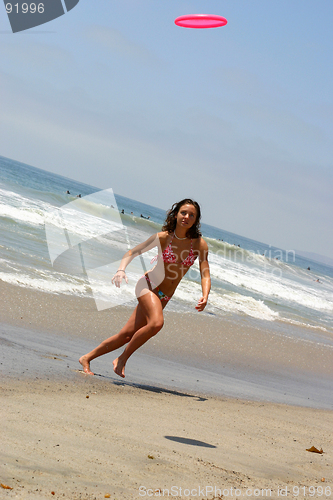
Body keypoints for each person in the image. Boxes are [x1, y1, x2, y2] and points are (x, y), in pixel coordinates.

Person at [79, 198, 211, 378]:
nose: (186, 216)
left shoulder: (198, 244)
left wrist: (205, 295)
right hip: (148, 286)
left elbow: (205, 272)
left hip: (165, 295)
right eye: (183, 212)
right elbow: (133, 252)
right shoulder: (164, 238)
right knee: (156, 323)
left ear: (196, 220)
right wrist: (120, 270)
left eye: (192, 215)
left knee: (126, 335)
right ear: (176, 214)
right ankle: (122, 359)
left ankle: (86, 358)